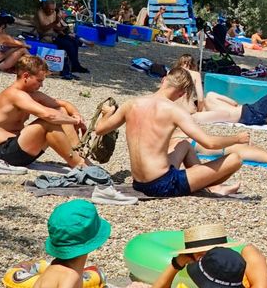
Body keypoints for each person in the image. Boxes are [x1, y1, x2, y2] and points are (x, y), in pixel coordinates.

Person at [93, 69, 250, 197]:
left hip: (138, 182)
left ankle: (210, 186)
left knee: (183, 144)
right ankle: (214, 188)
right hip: (162, 185)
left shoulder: (131, 104)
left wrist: (108, 113)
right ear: (182, 94)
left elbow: (100, 129)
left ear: (163, 80)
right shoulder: (174, 111)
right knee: (235, 159)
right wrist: (237, 138)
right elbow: (209, 143)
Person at [0, 55, 87, 168]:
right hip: (3, 153)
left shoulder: (31, 95)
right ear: (26, 76)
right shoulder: (14, 94)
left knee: (61, 111)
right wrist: (74, 121)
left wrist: (76, 115)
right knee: (50, 122)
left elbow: (64, 104)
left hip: (20, 149)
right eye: (39, 81)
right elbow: (48, 115)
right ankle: (80, 164)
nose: (41, 85)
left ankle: (81, 159)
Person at [192, 87, 267, 132]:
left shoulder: (210, 113)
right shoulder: (211, 95)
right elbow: (234, 103)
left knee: (264, 117)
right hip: (246, 111)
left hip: (247, 116)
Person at [33, 0, 89, 80]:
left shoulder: (55, 12)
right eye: (50, 9)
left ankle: (76, 65)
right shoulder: (40, 13)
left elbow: (56, 27)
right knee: (68, 44)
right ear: (45, 7)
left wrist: (63, 27)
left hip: (55, 34)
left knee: (74, 41)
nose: (51, 11)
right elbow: (44, 27)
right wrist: (56, 22)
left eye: (53, 9)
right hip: (46, 36)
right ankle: (71, 66)